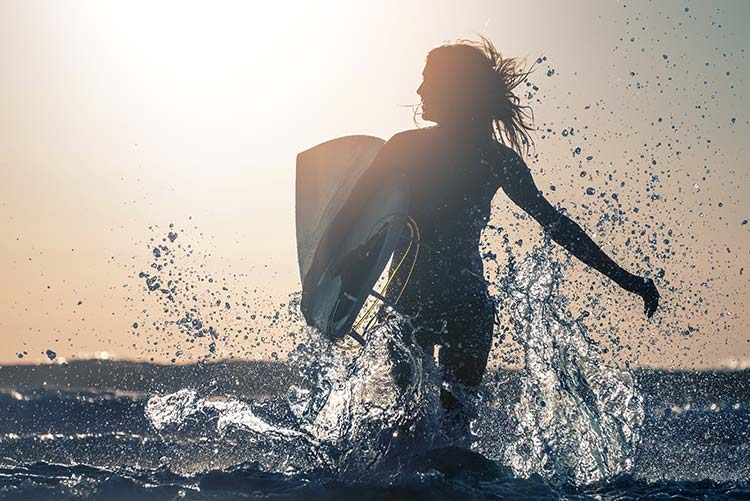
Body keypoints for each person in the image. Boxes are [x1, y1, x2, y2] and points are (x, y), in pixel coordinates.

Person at [336, 37, 659, 418]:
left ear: (454, 88)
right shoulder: (497, 158)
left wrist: (341, 269)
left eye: (428, 79)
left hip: (411, 301)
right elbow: (556, 225)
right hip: (469, 305)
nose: (420, 89)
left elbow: (351, 216)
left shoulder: (405, 147)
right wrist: (625, 279)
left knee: (409, 423)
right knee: (455, 430)